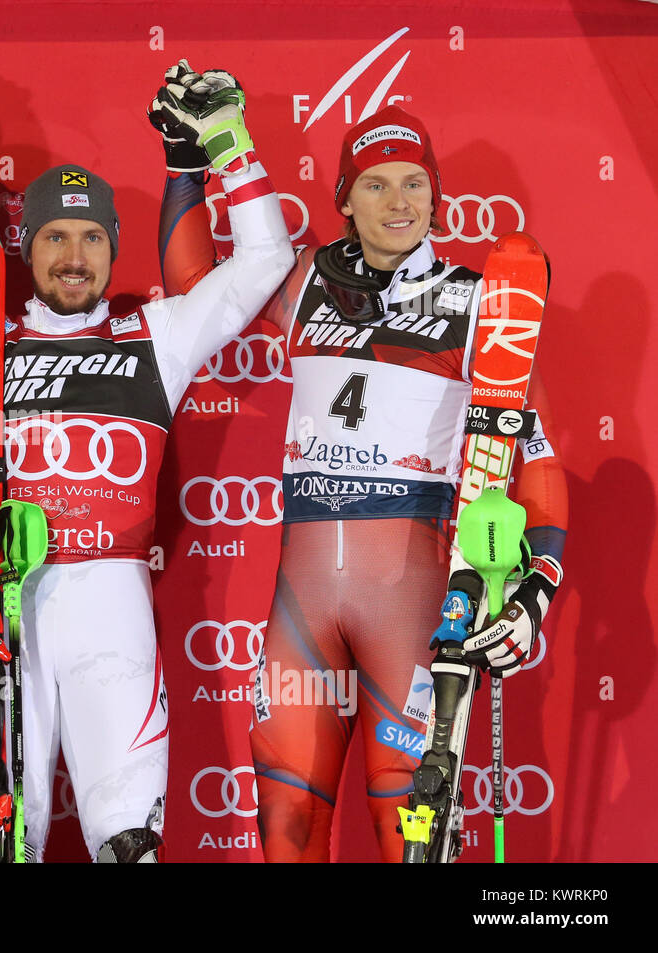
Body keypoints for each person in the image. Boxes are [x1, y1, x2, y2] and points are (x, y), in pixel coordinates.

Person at [0, 45, 294, 861]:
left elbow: (265, 259)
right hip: (0, 602)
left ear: (113, 248)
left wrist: (228, 144)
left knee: (129, 844)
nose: (73, 256)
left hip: (112, 601)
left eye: (92, 237)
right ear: (28, 244)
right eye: (56, 236)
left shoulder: (157, 336)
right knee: (2, 841)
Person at [162, 104, 568, 861]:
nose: (400, 203)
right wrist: (185, 167)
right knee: (286, 821)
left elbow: (534, 454)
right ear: (345, 197)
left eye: (415, 184)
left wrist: (535, 589)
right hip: (302, 602)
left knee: (410, 822)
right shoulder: (308, 282)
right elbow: (193, 287)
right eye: (377, 185)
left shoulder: (482, 301)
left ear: (436, 195)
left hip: (411, 600)